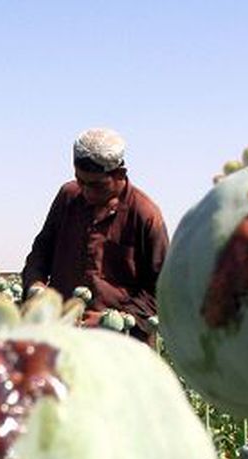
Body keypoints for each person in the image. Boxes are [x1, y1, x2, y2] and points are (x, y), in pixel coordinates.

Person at [21, 127, 168, 342]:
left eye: (96, 185)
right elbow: (40, 253)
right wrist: (35, 286)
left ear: (120, 175)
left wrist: (111, 319)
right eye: (80, 181)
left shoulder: (145, 214)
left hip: (122, 345)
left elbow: (162, 290)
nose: (86, 191)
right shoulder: (68, 197)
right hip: (64, 334)